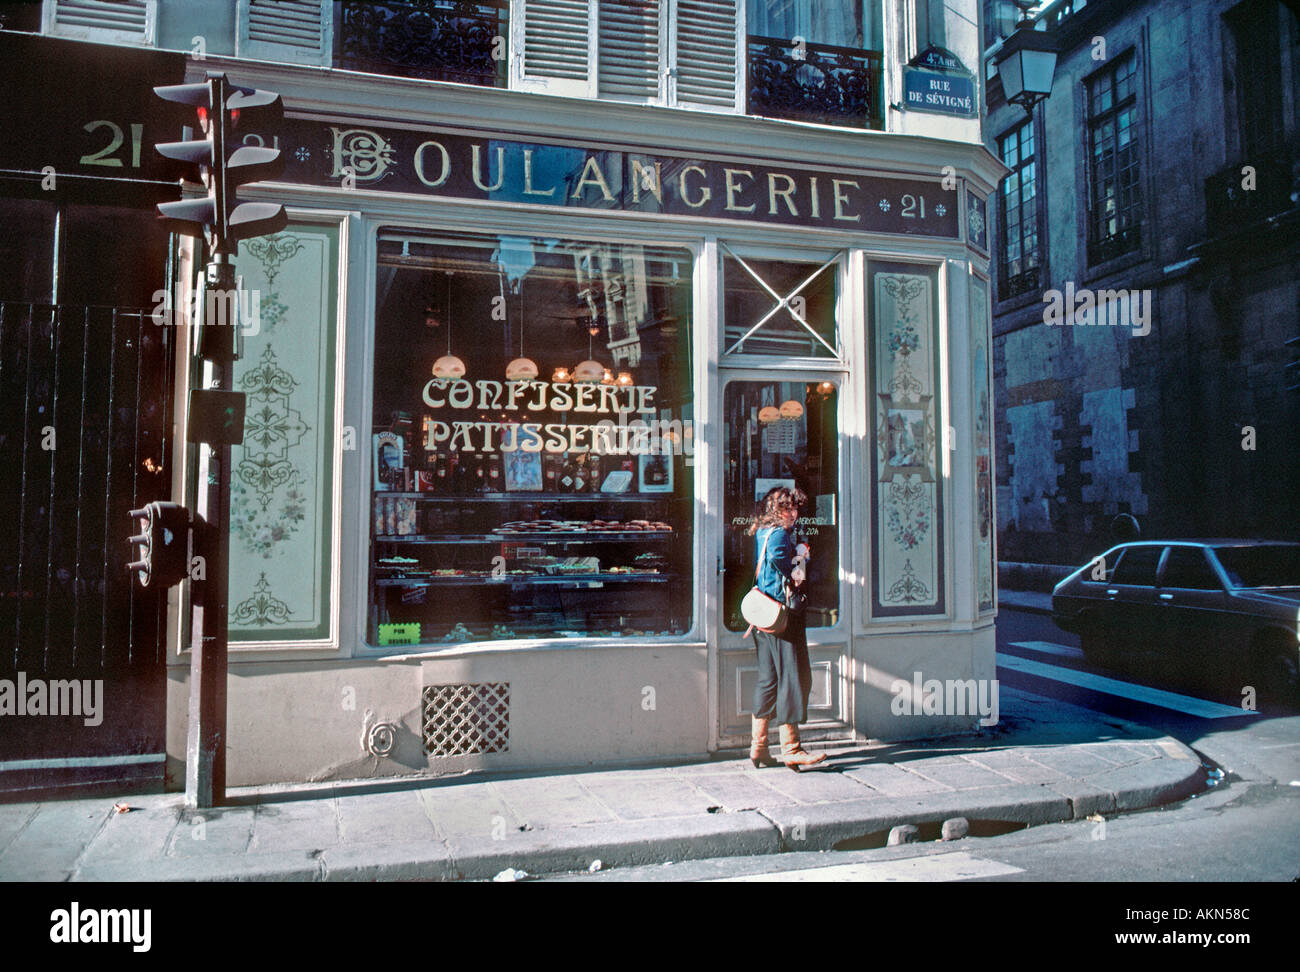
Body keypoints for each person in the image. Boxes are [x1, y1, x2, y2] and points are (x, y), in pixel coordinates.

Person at [748, 486, 826, 770]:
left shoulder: (762, 531)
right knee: (794, 676)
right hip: (782, 617)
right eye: (787, 509)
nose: (793, 514)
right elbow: (793, 574)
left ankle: (758, 746)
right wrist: (802, 555)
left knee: (768, 680)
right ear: (776, 509)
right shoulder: (780, 535)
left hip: (764, 617)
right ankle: (792, 748)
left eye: (795, 509)